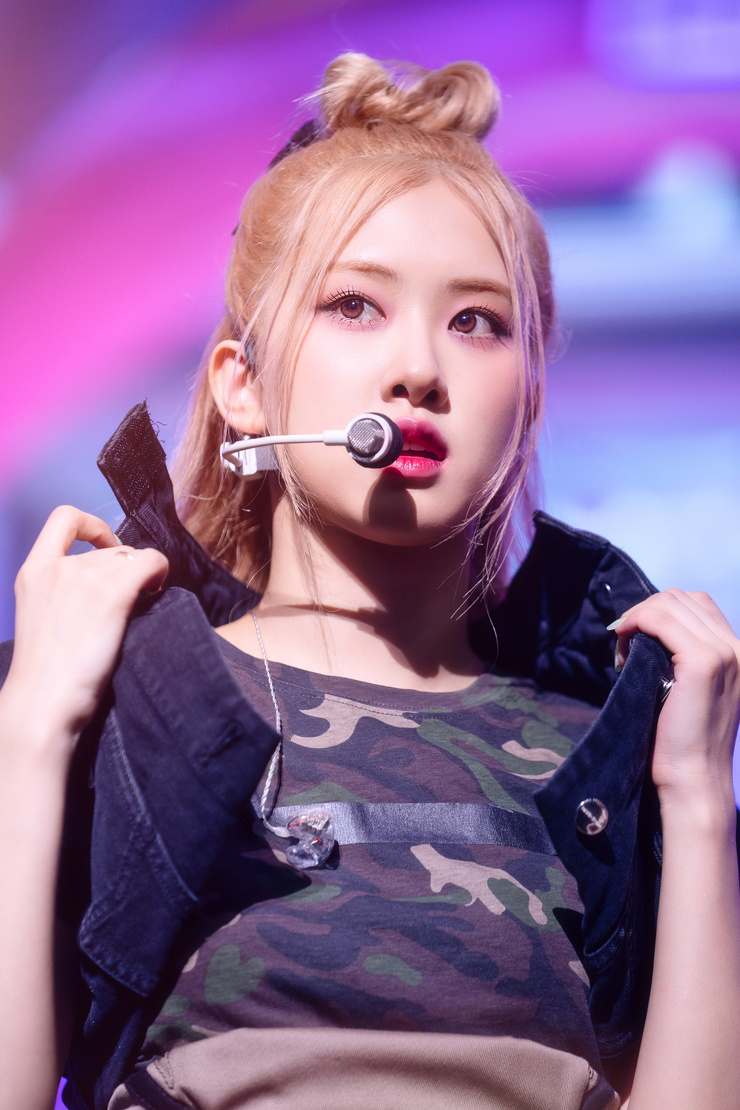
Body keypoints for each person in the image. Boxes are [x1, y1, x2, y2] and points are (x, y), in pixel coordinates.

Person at [1, 52, 739, 1110]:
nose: (419, 371)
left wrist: (697, 798)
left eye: (477, 321)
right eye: (355, 305)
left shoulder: (602, 753)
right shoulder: (120, 710)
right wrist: (31, 727)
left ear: (528, 400)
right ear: (244, 388)